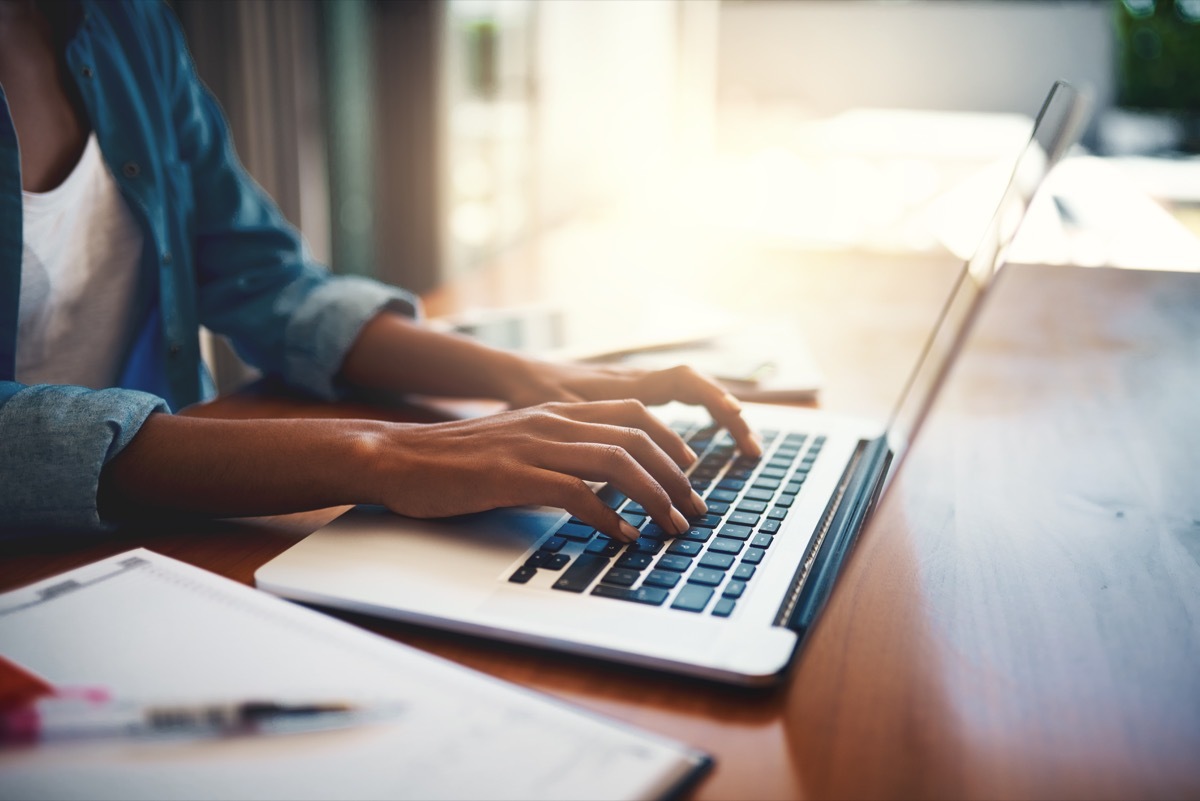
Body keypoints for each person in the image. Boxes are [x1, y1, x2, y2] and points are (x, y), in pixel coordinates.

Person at [0, 0, 759, 543]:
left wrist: (530, 379)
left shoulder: (129, 23)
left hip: (172, 528)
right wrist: (386, 454)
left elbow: (264, 279)